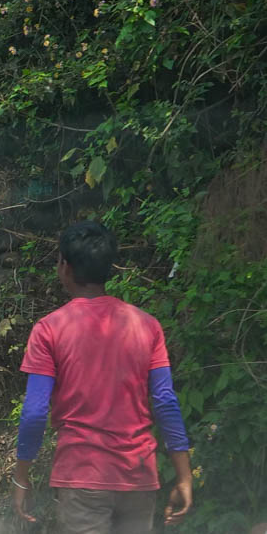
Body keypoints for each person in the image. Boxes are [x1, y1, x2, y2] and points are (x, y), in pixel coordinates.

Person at [13, 220, 193, 531]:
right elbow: (165, 401)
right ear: (109, 267)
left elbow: (34, 412)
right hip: (139, 477)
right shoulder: (147, 326)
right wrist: (184, 475)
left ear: (64, 266)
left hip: (83, 477)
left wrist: (21, 476)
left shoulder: (49, 329)